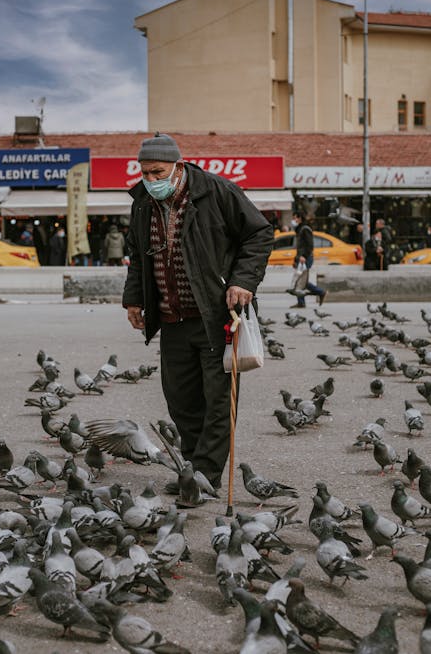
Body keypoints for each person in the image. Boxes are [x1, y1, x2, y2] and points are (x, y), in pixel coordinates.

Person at [122, 132, 273, 491]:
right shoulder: (142, 201)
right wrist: (134, 299)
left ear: (178, 165)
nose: (151, 180)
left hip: (215, 314)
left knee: (218, 399)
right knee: (182, 399)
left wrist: (243, 281)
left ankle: (206, 474)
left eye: (158, 172)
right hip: (171, 316)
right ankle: (192, 465)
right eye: (146, 173)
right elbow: (136, 254)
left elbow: (260, 234)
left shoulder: (217, 192)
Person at [290, 211, 327, 308]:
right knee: (302, 281)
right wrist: (296, 259)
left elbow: (310, 245)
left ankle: (319, 293)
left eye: (295, 218)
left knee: (301, 280)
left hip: (305, 258)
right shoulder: (300, 229)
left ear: (300, 218)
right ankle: (304, 300)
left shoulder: (305, 229)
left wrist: (304, 256)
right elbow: (300, 247)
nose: (294, 220)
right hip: (301, 257)